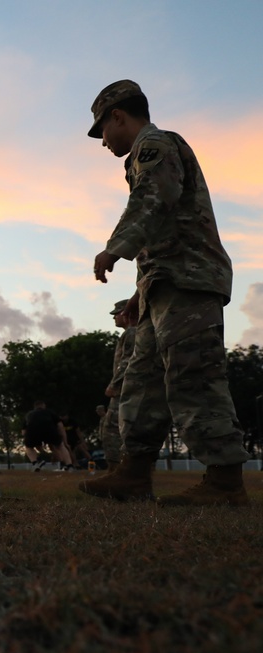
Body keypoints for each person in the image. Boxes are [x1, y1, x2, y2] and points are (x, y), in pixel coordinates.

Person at [81, 80, 248, 505]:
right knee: (141, 384)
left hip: (190, 281)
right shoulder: (142, 154)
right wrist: (141, 291)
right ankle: (133, 474)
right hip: (164, 283)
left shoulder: (155, 145)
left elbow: (156, 198)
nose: (102, 142)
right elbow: (163, 226)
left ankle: (225, 482)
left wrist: (116, 247)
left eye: (101, 130)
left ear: (118, 116)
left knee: (193, 376)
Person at [100, 299, 137, 471]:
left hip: (124, 390)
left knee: (111, 430)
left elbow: (127, 361)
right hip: (131, 389)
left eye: (117, 313)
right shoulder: (136, 333)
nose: (114, 317)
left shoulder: (131, 333)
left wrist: (114, 385)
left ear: (126, 313)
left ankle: (115, 471)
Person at [22, 400, 73, 472]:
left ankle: (35, 463)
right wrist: (65, 441)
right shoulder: (50, 412)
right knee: (60, 446)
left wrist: (27, 439)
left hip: (33, 430)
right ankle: (69, 466)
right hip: (49, 429)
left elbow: (24, 432)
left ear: (34, 407)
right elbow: (60, 426)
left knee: (29, 447)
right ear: (44, 406)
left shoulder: (29, 415)